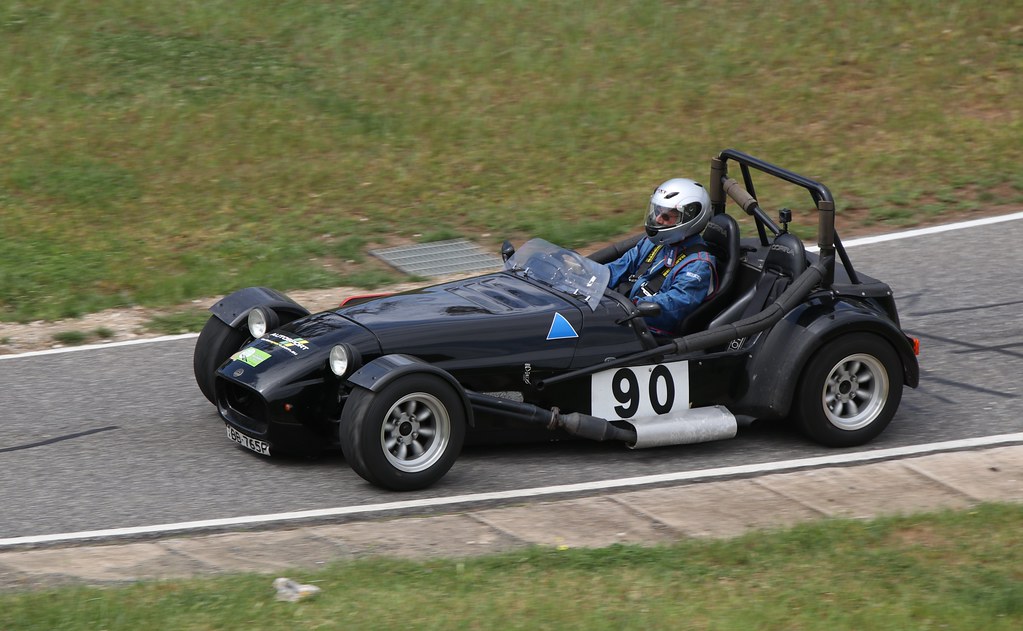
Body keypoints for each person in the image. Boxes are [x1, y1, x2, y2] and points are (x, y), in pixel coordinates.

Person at [605, 178, 717, 335]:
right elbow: (618, 267)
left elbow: (674, 306)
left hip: (649, 334)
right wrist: (584, 275)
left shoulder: (698, 265)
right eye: (657, 212)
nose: (657, 219)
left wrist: (632, 306)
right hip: (624, 316)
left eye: (666, 217)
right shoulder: (654, 243)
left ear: (690, 219)